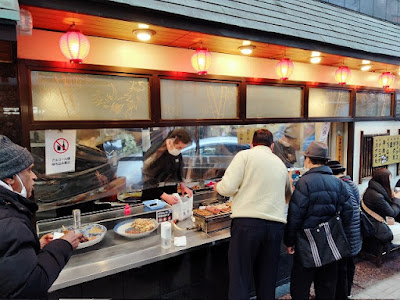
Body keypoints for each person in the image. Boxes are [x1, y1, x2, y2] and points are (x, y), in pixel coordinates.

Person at [0, 135, 83, 298]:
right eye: (29, 170)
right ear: (9, 178)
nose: (34, 177)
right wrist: (63, 244)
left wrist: (34, 247)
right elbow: (30, 286)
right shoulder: (8, 220)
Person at [214, 129, 292, 300]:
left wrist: (217, 187)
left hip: (247, 226)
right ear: (272, 146)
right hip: (274, 228)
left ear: (252, 144)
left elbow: (227, 188)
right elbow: (288, 194)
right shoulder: (280, 163)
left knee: (240, 278)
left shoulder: (244, 156)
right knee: (267, 279)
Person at [284, 142, 353, 300]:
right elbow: (348, 214)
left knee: (300, 286)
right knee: (327, 287)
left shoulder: (304, 183)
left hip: (306, 245)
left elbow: (295, 216)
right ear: (325, 161)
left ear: (308, 160)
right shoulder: (338, 183)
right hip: (330, 244)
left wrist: (289, 242)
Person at [326, 160, 362, 299]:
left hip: (346, 234)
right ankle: (347, 293)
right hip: (354, 233)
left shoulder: (341, 186)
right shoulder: (351, 183)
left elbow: (347, 212)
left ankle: (343, 294)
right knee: (349, 265)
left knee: (342, 268)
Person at [141, 128, 193, 204]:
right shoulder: (156, 153)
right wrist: (164, 196)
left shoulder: (176, 153)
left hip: (171, 195)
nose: (180, 150)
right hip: (153, 198)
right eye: (179, 147)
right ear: (170, 142)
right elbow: (147, 180)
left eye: (182, 148)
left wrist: (182, 184)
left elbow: (178, 170)